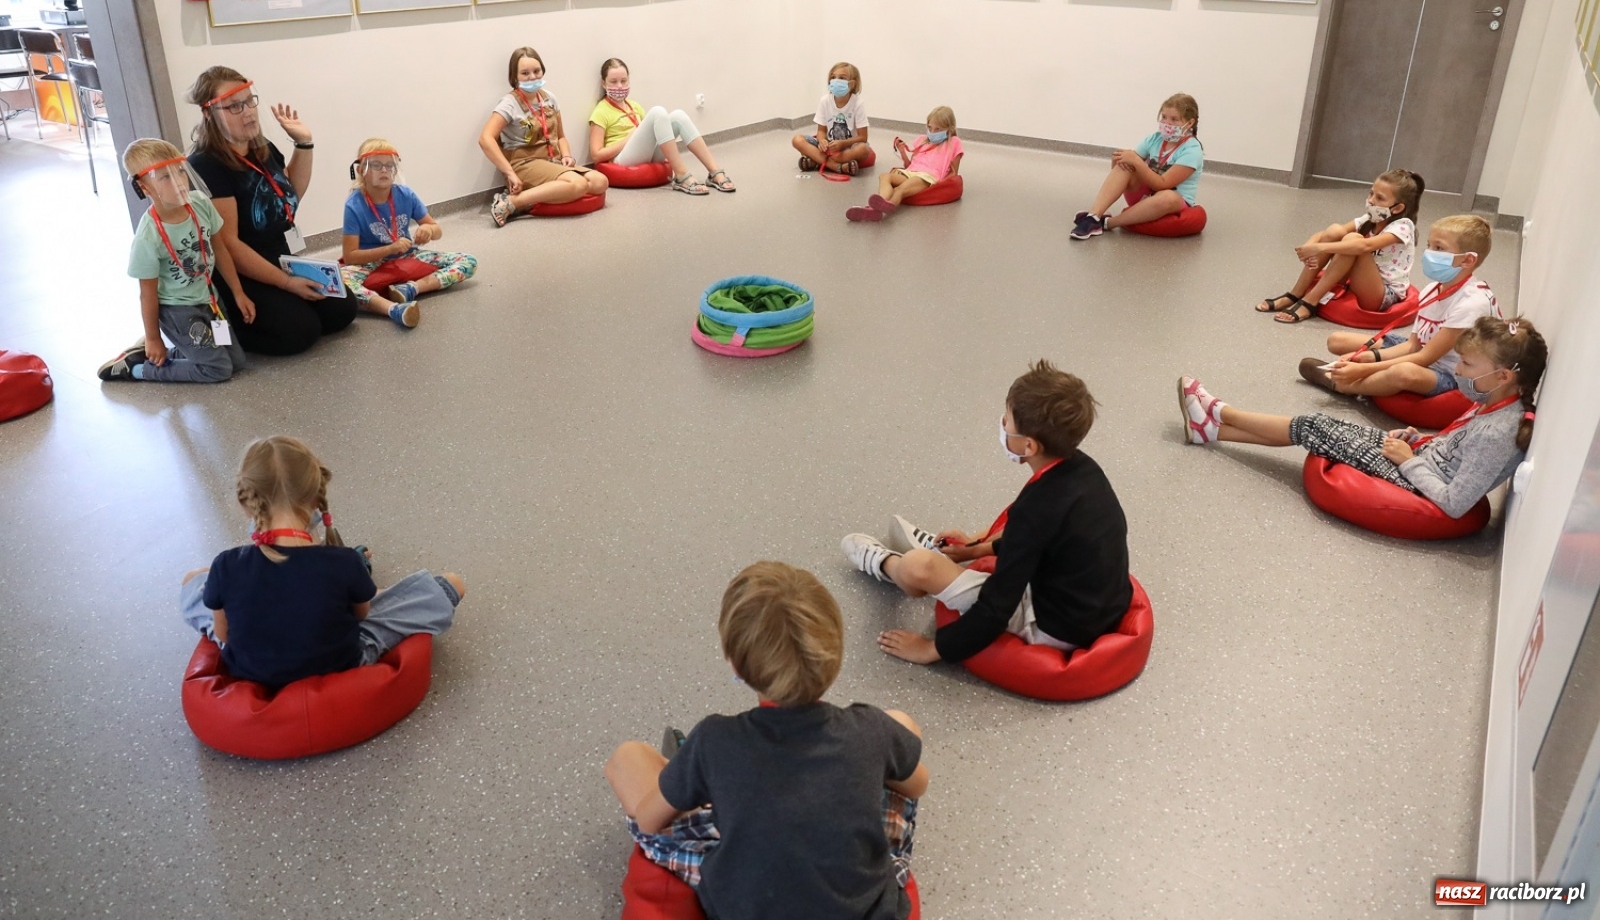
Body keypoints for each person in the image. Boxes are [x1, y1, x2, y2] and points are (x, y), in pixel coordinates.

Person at [603, 560, 928, 920]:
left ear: (735, 665)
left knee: (628, 757)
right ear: (834, 654)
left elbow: (649, 822)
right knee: (901, 723)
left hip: (742, 905)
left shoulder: (714, 739)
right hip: (865, 910)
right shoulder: (869, 727)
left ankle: (687, 780)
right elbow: (916, 786)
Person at [841, 360, 1133, 667]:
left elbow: (996, 609)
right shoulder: (1085, 471)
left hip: (1053, 627)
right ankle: (946, 555)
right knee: (989, 540)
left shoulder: (1035, 510)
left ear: (1029, 445)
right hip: (1097, 608)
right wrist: (975, 547)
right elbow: (1040, 536)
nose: (1002, 425)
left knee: (919, 566)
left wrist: (932, 649)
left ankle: (890, 567)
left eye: (1006, 422)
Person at [1179, 316, 1546, 519]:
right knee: (1329, 427)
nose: (1459, 370)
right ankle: (1211, 430)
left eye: (1466, 364)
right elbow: (1456, 449)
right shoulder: (1490, 398)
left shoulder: (1500, 431)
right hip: (1419, 459)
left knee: (1312, 425)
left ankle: (1220, 413)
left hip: (1417, 481)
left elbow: (1454, 503)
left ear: (1503, 376)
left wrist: (1408, 463)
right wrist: (1418, 440)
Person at [178, 435, 466, 690]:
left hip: (252, 672)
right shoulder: (343, 562)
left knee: (194, 579)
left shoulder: (226, 565)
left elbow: (224, 633)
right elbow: (362, 616)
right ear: (317, 499)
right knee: (451, 584)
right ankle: (368, 586)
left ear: (246, 504)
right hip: (342, 664)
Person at [186, 66, 359, 355]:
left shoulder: (260, 147)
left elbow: (290, 196)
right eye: (234, 106)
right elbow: (229, 244)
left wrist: (304, 143)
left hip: (279, 256)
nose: (248, 112)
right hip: (240, 270)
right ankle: (221, 330)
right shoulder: (207, 164)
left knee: (342, 310)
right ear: (209, 114)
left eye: (249, 100)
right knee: (300, 332)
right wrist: (287, 284)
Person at [98, 139, 251, 383]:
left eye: (180, 171)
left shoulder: (200, 203)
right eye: (165, 177)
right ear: (144, 188)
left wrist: (238, 292)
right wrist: (153, 338)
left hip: (209, 298)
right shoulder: (149, 236)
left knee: (238, 363)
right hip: (178, 310)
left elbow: (219, 248)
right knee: (218, 370)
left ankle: (181, 352)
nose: (179, 181)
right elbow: (147, 294)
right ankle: (137, 369)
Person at [1299, 214, 1501, 398]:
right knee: (1337, 340)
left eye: (1439, 248)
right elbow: (1413, 345)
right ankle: (1363, 378)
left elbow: (1424, 358)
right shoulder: (1432, 289)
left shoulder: (1472, 303)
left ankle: (1344, 386)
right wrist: (1370, 357)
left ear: (1467, 260)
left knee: (1402, 372)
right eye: (1429, 245)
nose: (1429, 253)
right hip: (1424, 351)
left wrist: (1365, 369)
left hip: (1452, 373)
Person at [340, 138, 477, 329]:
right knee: (342, 285)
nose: (385, 170)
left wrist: (428, 229)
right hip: (369, 261)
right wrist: (389, 249)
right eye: (376, 165)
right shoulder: (354, 205)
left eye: (390, 165)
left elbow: (437, 230)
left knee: (468, 261)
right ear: (362, 170)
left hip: (406, 253)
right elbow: (350, 256)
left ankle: (411, 288)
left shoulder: (406, 194)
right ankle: (393, 309)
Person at [1257, 169, 1421, 324]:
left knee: (1353, 240)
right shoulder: (1370, 218)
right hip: (1361, 280)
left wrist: (1321, 248)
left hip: (1384, 293)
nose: (1371, 200)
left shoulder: (1404, 226)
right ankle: (1295, 294)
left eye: (1380, 198)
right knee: (1335, 230)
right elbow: (1330, 233)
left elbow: (1365, 246)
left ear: (1398, 208)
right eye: (1371, 193)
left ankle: (1310, 302)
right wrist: (1311, 243)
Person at [479, 47, 608, 226]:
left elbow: (561, 136)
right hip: (524, 163)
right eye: (525, 73)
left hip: (551, 160)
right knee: (578, 185)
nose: (532, 77)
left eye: (536, 71)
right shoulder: (509, 103)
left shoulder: (549, 99)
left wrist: (567, 155)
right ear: (514, 77)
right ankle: (511, 202)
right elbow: (485, 139)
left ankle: (530, 199)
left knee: (600, 181)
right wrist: (509, 172)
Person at [587, 58, 735, 194]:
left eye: (623, 81)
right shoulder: (601, 111)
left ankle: (715, 172)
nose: (619, 86)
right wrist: (628, 138)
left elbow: (648, 136)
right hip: (622, 158)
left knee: (678, 116)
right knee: (658, 112)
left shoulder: (634, 106)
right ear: (603, 83)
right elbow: (596, 155)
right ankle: (681, 175)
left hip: (645, 154)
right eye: (613, 81)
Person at [1073, 92, 1204, 238]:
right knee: (1124, 164)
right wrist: (1119, 160)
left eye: (1174, 119)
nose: (1167, 123)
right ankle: (1093, 216)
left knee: (1169, 197)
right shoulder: (1155, 138)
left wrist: (1136, 161)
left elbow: (1162, 184)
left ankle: (1108, 223)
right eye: (1164, 117)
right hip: (1146, 195)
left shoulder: (1192, 151)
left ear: (1190, 123)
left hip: (1172, 203)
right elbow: (1126, 169)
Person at [847, 106, 962, 222]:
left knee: (899, 190)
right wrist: (902, 152)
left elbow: (954, 173)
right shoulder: (923, 140)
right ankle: (876, 207)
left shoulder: (953, 142)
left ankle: (886, 206)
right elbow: (910, 165)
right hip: (911, 172)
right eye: (930, 128)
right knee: (884, 176)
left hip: (927, 176)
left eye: (938, 129)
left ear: (949, 129)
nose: (932, 132)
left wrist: (939, 184)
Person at [792, 62, 872, 175]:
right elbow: (821, 131)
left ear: (852, 84)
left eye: (842, 78)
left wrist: (842, 144)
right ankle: (837, 167)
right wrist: (822, 141)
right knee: (797, 140)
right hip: (828, 148)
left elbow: (863, 137)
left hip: (848, 147)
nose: (835, 81)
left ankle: (817, 161)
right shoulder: (825, 101)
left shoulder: (857, 103)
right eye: (833, 77)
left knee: (863, 149)